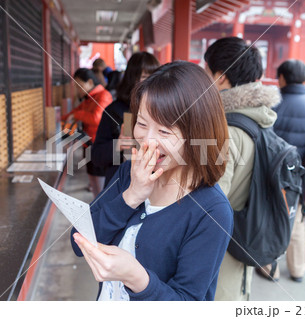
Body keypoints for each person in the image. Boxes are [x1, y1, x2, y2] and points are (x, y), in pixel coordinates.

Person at [70, 61, 233, 301]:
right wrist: (132, 196)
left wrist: (137, 278)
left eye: (165, 131)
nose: (148, 141)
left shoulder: (211, 211)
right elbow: (78, 241)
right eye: (142, 124)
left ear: (199, 134)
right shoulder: (129, 173)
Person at [204, 36, 281, 300]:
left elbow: (210, 205)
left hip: (220, 250)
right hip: (247, 236)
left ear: (221, 77)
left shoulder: (224, 130)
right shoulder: (262, 119)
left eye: (206, 71)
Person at [256, 60, 305, 283]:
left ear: (281, 79)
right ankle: (298, 269)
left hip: (274, 173)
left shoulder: (273, 105)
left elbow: (263, 141)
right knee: (296, 219)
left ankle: (271, 267)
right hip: (304, 175)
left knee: (271, 218)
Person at [92, 52, 160, 187]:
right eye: (145, 77)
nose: (152, 83)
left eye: (155, 77)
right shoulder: (114, 110)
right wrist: (118, 145)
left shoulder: (162, 111)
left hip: (155, 187)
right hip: (119, 185)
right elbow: (96, 156)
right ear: (132, 78)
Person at [63, 68, 113, 198]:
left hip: (100, 144)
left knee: (100, 180)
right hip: (88, 144)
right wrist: (60, 118)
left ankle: (102, 209)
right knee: (92, 177)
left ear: (90, 82)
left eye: (79, 85)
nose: (78, 90)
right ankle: (97, 206)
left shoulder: (103, 96)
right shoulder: (87, 99)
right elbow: (72, 113)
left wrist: (76, 115)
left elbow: (97, 118)